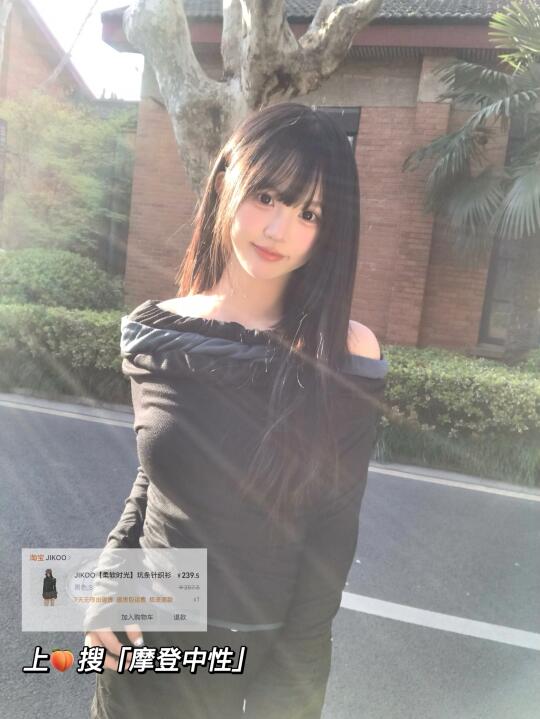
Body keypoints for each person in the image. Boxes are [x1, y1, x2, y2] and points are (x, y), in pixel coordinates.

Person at [86, 101, 389, 719]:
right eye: (267, 196)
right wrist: (109, 579)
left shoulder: (345, 354)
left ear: (330, 232)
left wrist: (291, 700)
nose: (278, 229)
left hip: (253, 661)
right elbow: (155, 476)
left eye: (309, 213)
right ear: (227, 182)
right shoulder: (159, 334)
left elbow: (332, 533)